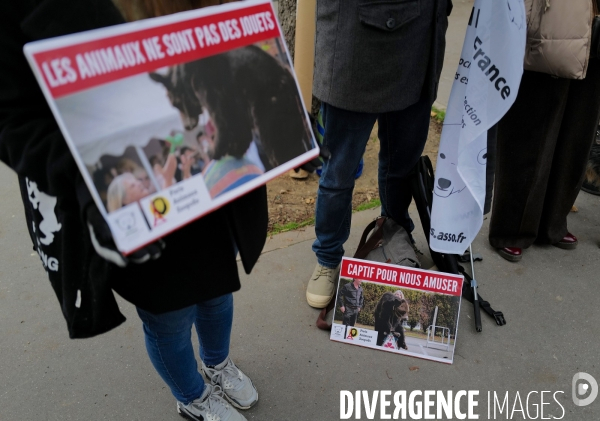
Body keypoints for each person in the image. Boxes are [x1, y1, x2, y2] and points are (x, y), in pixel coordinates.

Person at [0, 1, 267, 421]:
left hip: (211, 184)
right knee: (170, 315)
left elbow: (230, 35)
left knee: (218, 291)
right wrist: (88, 185)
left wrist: (280, 121)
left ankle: (217, 364)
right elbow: (13, 117)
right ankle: (192, 396)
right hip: (127, 200)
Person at [306, 0, 452, 307]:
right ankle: (328, 257)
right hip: (356, 37)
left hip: (419, 34)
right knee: (339, 169)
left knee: (402, 163)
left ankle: (395, 236)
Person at [489, 0, 600, 262]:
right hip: (553, 20)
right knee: (531, 129)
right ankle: (512, 229)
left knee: (577, 132)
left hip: (595, 25)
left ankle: (553, 222)